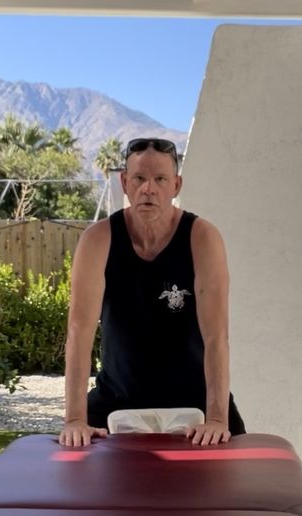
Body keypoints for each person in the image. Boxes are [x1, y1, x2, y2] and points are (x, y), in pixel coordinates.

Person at [58, 137, 246, 447]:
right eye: (139, 178)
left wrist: (216, 419)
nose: (149, 189)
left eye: (160, 179)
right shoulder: (98, 239)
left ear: (176, 185)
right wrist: (75, 419)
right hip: (116, 400)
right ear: (124, 182)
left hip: (195, 402)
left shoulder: (202, 238)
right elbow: (79, 332)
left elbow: (216, 336)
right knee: (77, 464)